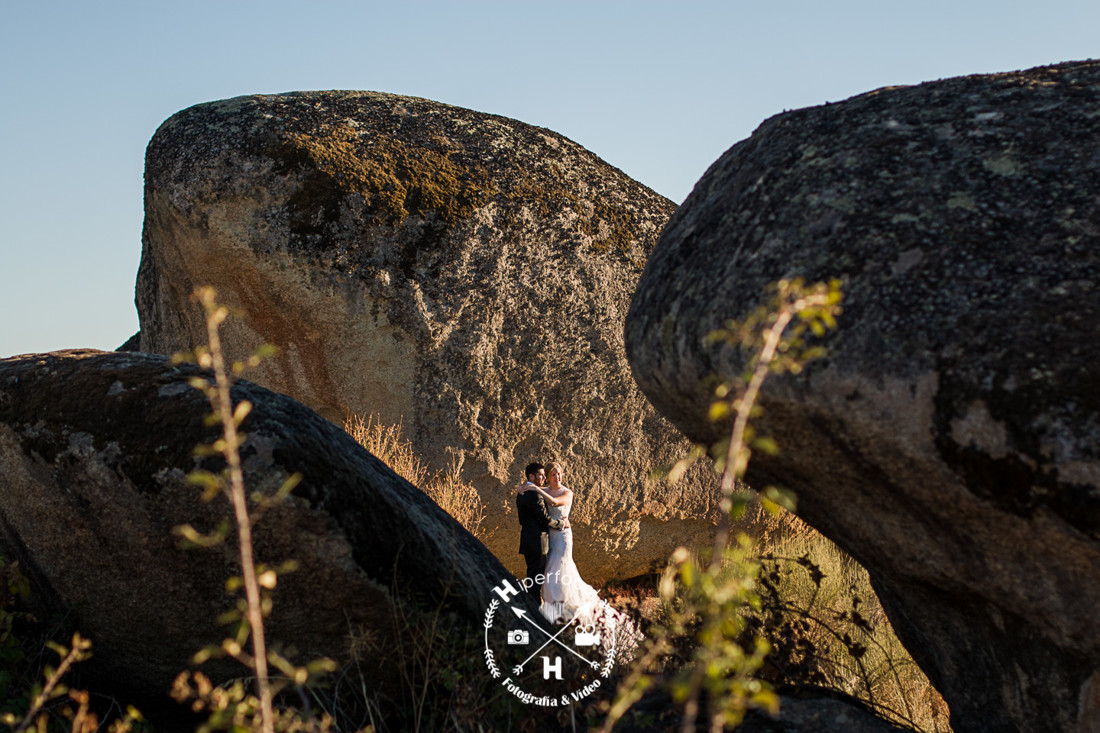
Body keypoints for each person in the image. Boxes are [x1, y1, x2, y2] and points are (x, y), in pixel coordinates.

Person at [515, 462, 566, 601]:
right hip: (538, 542)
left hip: (527, 540)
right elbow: (546, 520)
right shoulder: (535, 496)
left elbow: (521, 520)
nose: (543, 477)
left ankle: (533, 607)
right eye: (540, 475)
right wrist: (561, 523)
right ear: (531, 476)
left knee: (532, 577)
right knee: (537, 580)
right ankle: (535, 611)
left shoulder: (521, 493)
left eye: (544, 475)